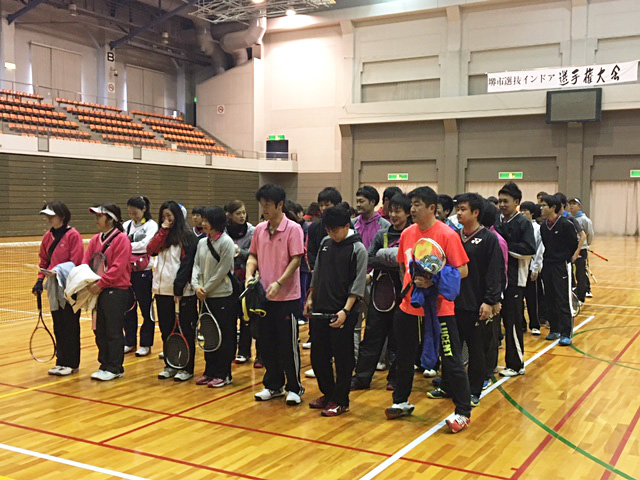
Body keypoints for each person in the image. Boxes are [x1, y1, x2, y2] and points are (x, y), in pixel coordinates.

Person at [387, 186, 471, 434]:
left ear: (432, 208)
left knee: (451, 360)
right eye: (411, 204)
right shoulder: (407, 234)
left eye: (417, 204)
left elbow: (463, 270)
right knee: (404, 357)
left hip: (440, 310)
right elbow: (403, 266)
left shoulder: (447, 235)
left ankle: (463, 412)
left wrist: (434, 280)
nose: (412, 209)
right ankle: (401, 401)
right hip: (409, 307)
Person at [305, 206, 367, 416]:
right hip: (321, 308)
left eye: (336, 230)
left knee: (343, 359)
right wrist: (311, 297)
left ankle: (341, 400)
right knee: (318, 357)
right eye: (328, 230)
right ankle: (328, 393)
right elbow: (317, 273)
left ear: (347, 226)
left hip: (342, 312)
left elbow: (358, 284)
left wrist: (345, 311)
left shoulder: (358, 249)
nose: (332, 234)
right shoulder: (325, 243)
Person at [246, 184, 305, 405]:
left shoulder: (293, 229)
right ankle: (273, 385)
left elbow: (296, 259)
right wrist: (249, 275)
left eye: (268, 205)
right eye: (262, 204)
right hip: (264, 297)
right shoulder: (259, 229)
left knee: (287, 345)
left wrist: (279, 283)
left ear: (280, 205)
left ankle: (295, 388)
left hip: (287, 298)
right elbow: (253, 255)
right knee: (266, 344)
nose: (264, 209)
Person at [351, 193, 412, 391]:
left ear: (407, 213)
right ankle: (362, 378)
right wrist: (394, 260)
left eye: (398, 211)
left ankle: (396, 379)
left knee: (400, 340)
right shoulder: (382, 234)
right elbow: (369, 259)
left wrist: (386, 257)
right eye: (391, 211)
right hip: (381, 293)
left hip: (405, 294)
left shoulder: (412, 234)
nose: (393, 215)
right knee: (371, 337)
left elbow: (414, 262)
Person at [453, 193, 502, 407]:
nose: (459, 213)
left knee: (476, 350)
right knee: (452, 349)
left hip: (476, 304)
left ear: (476, 212)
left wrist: (490, 301)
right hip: (453, 302)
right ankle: (449, 385)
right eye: (458, 209)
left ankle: (474, 390)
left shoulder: (489, 239)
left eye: (463, 209)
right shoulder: (454, 236)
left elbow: (494, 272)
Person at [146, 200, 198, 381]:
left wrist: (179, 287)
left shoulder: (187, 236)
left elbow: (187, 264)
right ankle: (170, 364)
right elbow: (150, 250)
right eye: (163, 216)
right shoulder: (162, 235)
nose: (166, 219)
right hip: (162, 292)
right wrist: (163, 230)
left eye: (169, 216)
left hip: (182, 293)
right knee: (166, 330)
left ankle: (186, 368)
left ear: (177, 216)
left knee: (185, 331)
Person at [34, 202, 84, 376]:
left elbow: (76, 261)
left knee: (70, 324)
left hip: (70, 286)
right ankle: (61, 361)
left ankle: (72, 362)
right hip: (53, 287)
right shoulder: (47, 237)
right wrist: (39, 280)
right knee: (58, 324)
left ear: (62, 216)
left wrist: (58, 271)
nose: (48, 219)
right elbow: (43, 261)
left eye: (51, 216)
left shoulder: (73, 235)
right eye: (47, 216)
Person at [84, 204, 133, 381]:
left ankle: (115, 367)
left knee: (113, 330)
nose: (97, 220)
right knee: (100, 330)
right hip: (97, 291)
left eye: (100, 216)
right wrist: (86, 281)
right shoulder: (95, 240)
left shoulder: (122, 240)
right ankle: (104, 364)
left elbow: (118, 268)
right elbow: (86, 262)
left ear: (111, 220)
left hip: (116, 291)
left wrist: (101, 284)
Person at [192, 207, 238, 388]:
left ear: (216, 223)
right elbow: (196, 265)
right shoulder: (202, 243)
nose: (203, 223)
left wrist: (206, 288)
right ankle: (209, 371)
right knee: (209, 334)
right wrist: (196, 286)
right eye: (203, 220)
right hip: (204, 297)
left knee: (224, 335)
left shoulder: (226, 242)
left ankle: (223, 374)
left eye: (207, 221)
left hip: (223, 296)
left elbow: (222, 270)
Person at [494, 182, 536, 377]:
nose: (502, 205)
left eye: (506, 201)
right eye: (500, 201)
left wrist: (504, 246)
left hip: (515, 280)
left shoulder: (523, 223)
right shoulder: (498, 221)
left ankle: (516, 364)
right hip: (498, 280)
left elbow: (529, 249)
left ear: (516, 202)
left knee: (512, 323)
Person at [539, 195, 579, 346]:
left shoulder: (565, 224)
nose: (541, 208)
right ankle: (554, 329)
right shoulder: (543, 226)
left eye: (544, 205)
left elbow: (573, 243)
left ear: (553, 208)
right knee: (549, 298)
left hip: (561, 266)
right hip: (547, 265)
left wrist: (565, 257)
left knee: (562, 299)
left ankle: (565, 333)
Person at [122, 196, 158, 357]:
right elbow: (119, 244)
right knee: (128, 308)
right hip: (128, 272)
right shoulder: (126, 225)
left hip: (144, 273)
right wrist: (130, 247)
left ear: (144, 209)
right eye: (130, 213)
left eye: (135, 213)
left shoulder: (152, 225)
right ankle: (129, 341)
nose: (132, 216)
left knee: (146, 309)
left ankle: (146, 343)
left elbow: (146, 245)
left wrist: (127, 247)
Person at [224, 200, 259, 366]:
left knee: (247, 317)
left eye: (244, 212)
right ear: (229, 215)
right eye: (238, 213)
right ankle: (229, 351)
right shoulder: (223, 232)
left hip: (247, 279)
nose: (242, 216)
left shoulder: (252, 231)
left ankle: (245, 351)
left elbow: (255, 254)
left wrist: (241, 252)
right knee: (230, 317)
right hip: (228, 280)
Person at [520, 201, 544, 335]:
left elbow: (540, 249)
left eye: (526, 211)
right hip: (520, 266)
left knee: (532, 297)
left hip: (531, 266)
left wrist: (535, 268)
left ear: (532, 213)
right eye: (521, 210)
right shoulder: (519, 227)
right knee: (518, 297)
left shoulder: (538, 229)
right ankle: (521, 323)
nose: (523, 213)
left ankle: (535, 324)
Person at [568, 197, 594, 301]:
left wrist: (585, 245)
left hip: (581, 249)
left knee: (581, 273)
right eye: (570, 204)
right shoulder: (568, 218)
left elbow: (589, 234)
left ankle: (582, 295)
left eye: (574, 204)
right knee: (569, 272)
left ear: (579, 206)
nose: (571, 206)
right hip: (570, 249)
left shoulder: (585, 220)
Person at [353, 185, 391, 250]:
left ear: (372, 202)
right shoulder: (352, 223)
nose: (358, 205)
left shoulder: (384, 225)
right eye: (357, 202)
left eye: (361, 201)